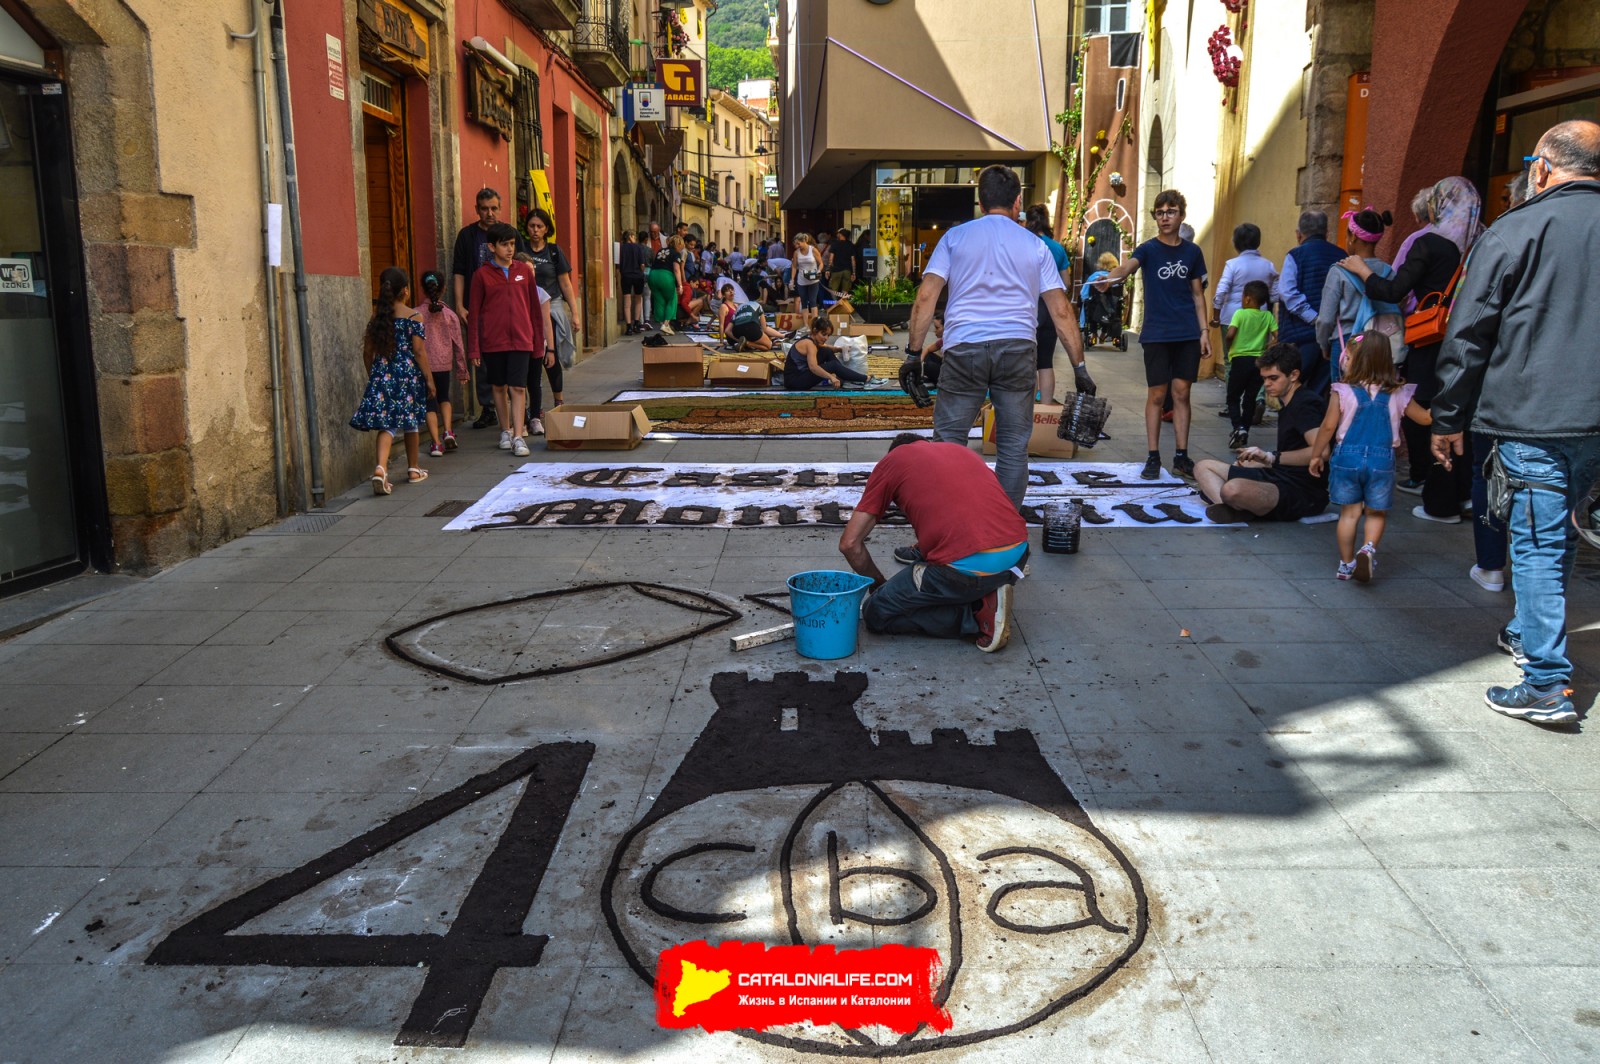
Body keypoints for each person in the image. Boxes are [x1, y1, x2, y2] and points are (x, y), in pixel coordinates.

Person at [1430, 119, 1600, 724]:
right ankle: (1529, 632)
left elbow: (1468, 334)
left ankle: (1546, 681)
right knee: (1560, 536)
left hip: (1533, 418)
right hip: (1590, 423)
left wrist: (1447, 417)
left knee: (1536, 542)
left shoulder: (1515, 228)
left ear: (1543, 168)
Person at [905, 165, 1092, 514]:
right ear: (1018, 201)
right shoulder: (1036, 246)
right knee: (1012, 446)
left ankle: (949, 524)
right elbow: (1061, 311)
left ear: (980, 201)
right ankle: (1004, 529)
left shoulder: (955, 237)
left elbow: (926, 297)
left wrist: (914, 354)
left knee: (949, 443)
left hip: (965, 347)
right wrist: (1079, 367)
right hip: (1017, 348)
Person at [1341, 178, 1480, 524]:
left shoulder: (1429, 244)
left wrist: (1362, 269)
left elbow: (1393, 291)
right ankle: (1464, 494)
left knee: (1427, 417)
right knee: (1459, 417)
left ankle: (1441, 504)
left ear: (1440, 204)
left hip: (1432, 343)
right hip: (1470, 343)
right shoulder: (1478, 242)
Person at [839, 434, 1029, 652]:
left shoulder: (893, 461)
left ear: (894, 452)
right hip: (1017, 555)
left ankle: (976, 614)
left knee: (876, 612)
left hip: (966, 571)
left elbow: (850, 544)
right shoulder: (961, 452)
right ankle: (984, 591)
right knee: (941, 570)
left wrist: (878, 585)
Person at [1093, 189, 1208, 480]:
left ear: (1181, 216)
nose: (1165, 217)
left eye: (1171, 212)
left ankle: (1181, 456)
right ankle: (1153, 456)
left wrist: (1204, 331)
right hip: (1157, 333)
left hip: (1187, 333)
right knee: (1157, 394)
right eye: (1160, 213)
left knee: (1181, 393)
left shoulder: (1193, 252)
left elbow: (1198, 295)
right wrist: (1110, 279)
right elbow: (1127, 268)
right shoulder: (1148, 249)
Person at [1308, 332, 1431, 581]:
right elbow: (1425, 419)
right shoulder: (1398, 393)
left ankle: (1346, 564)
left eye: (1348, 357)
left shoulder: (1342, 391)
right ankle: (1368, 548)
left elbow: (1328, 427)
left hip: (1347, 459)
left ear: (1357, 361)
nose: (1345, 360)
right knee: (1375, 513)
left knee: (1349, 513)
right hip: (1381, 461)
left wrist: (1316, 454)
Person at [1466, 173, 1527, 594]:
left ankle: (1491, 565)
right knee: (1549, 491)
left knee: (1488, 472)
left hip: (1499, 385)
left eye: (1506, 198)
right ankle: (1530, 575)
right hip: (1564, 396)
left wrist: (1451, 410)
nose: (1502, 204)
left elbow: (1471, 324)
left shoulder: (1500, 240)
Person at [1194, 342, 1328, 523]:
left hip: (1302, 490)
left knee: (1232, 489)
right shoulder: (1288, 402)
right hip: (1281, 475)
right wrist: (1262, 461)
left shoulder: (1305, 404)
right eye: (1264, 379)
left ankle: (1237, 505)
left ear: (1294, 375)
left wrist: (1271, 457)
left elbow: (1322, 452)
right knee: (1203, 467)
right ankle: (1232, 508)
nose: (1267, 384)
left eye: (1273, 378)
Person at [467, 222, 553, 458]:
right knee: (498, 386)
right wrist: (473, 349)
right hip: (493, 341)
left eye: (512, 244)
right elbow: (474, 314)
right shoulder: (481, 276)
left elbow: (535, 310)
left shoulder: (524, 271)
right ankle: (504, 430)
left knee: (518, 386)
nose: (510, 249)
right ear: (492, 247)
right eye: (504, 244)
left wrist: (538, 344)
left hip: (522, 339)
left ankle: (517, 435)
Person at [351, 266, 433, 495]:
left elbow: (367, 351)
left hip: (382, 374)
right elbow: (419, 351)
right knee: (410, 422)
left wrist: (373, 374)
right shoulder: (414, 317)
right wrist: (429, 379)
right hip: (408, 376)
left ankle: (380, 468)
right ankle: (414, 469)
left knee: (387, 425)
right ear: (405, 290)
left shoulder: (377, 317)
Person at [450, 187, 528, 429]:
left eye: (494, 208)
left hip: (509, 307)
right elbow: (459, 272)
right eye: (484, 209)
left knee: (515, 360)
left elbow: (524, 265)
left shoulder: (510, 233)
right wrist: (460, 305)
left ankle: (519, 410)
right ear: (477, 210)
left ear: (500, 208)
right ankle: (488, 407)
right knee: (483, 360)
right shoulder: (467, 236)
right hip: (478, 306)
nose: (490, 213)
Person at [1317, 207, 1400, 375]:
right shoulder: (1389, 272)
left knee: (1344, 390)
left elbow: (1325, 319)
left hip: (1348, 342)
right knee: (1374, 387)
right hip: (1379, 343)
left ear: (1353, 236)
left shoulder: (1338, 271)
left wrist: (1324, 344)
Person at [1277, 209, 1346, 397]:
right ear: (1326, 233)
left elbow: (1287, 293)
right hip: (1333, 335)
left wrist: (1315, 318)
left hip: (1300, 336)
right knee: (1321, 390)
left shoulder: (1295, 255)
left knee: (1292, 388)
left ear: (1299, 234)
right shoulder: (1341, 255)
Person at [414, 271, 468, 458]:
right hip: (444, 364)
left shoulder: (416, 314)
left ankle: (436, 443)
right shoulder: (449, 315)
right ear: (444, 289)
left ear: (423, 289)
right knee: (444, 398)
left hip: (423, 365)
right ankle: (448, 431)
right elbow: (459, 344)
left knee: (429, 403)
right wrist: (462, 370)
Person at [1024, 204, 1072, 403]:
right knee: (1045, 362)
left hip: (1029, 309)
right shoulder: (1057, 247)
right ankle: (1046, 409)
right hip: (1050, 310)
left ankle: (1028, 409)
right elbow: (1066, 283)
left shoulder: (1025, 243)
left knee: (1027, 363)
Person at [1211, 222, 1279, 359]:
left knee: (1230, 358)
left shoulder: (1232, 265)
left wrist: (1216, 317)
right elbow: (1275, 296)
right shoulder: (1269, 265)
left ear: (1235, 243)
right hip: (1260, 318)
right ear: (1258, 242)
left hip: (1231, 317)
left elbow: (1221, 292)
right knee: (1258, 358)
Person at [1223, 280, 1277, 450]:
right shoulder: (1267, 316)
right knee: (1250, 398)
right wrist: (1268, 347)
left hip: (1240, 360)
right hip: (1258, 363)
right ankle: (1244, 430)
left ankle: (1238, 427)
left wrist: (1229, 344)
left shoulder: (1240, 314)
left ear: (1247, 298)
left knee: (1233, 397)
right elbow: (1278, 335)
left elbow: (1230, 334)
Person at [783, 316, 870, 390]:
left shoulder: (812, 339)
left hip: (800, 375)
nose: (826, 338)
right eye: (824, 334)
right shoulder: (809, 344)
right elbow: (813, 368)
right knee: (833, 365)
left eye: (828, 335)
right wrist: (831, 377)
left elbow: (827, 347)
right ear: (815, 331)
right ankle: (866, 379)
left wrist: (840, 349)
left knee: (827, 351)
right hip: (794, 382)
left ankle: (843, 378)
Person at [647, 235, 684, 332]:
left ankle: (662, 324)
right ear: (678, 244)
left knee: (659, 301)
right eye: (681, 245)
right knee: (672, 299)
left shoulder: (661, 251)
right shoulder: (676, 254)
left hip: (653, 276)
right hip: (665, 276)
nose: (681, 248)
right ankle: (666, 324)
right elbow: (676, 269)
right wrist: (680, 285)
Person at [620, 230, 651, 334]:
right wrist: (642, 271)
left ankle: (628, 326)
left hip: (626, 276)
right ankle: (637, 324)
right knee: (638, 299)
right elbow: (642, 264)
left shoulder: (621, 248)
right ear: (630, 237)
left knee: (627, 302)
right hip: (637, 276)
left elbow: (618, 264)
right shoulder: (638, 247)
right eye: (634, 236)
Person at [793, 233, 822, 310]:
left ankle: (814, 317)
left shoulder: (813, 250)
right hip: (801, 279)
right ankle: (805, 318)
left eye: (798, 243)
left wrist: (819, 271)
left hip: (813, 278)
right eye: (796, 244)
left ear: (804, 241)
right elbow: (794, 266)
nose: (797, 246)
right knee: (804, 302)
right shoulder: (796, 252)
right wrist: (792, 280)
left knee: (812, 301)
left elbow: (821, 263)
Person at [827, 227, 857, 296]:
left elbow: (831, 259)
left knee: (834, 289)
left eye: (838, 233)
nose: (837, 235)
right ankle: (843, 301)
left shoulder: (834, 244)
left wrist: (828, 269)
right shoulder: (851, 245)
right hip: (847, 271)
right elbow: (853, 260)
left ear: (840, 234)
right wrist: (854, 272)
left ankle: (835, 302)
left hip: (836, 270)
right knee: (845, 290)